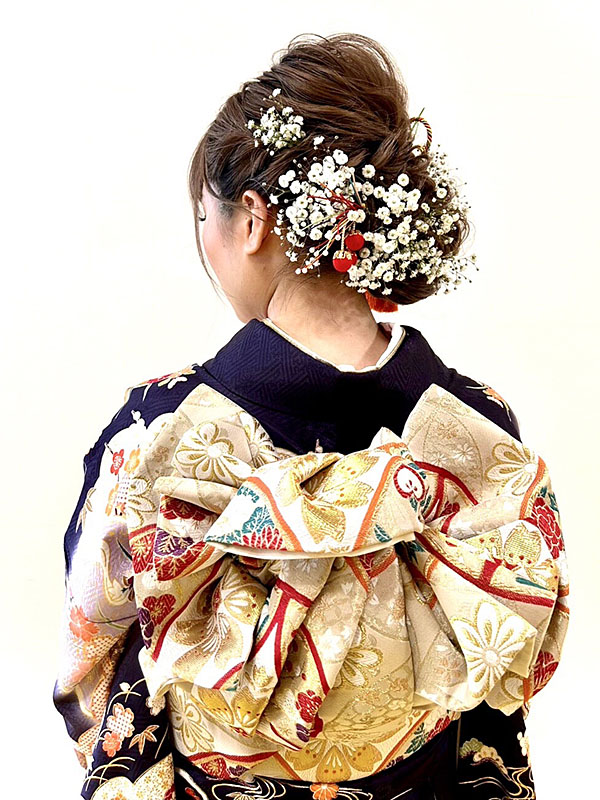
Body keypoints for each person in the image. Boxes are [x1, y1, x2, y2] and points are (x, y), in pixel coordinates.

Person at [54, 32, 569, 800]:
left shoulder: (159, 430)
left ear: (252, 220)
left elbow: (92, 657)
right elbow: (506, 664)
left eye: (206, 216)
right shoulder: (474, 429)